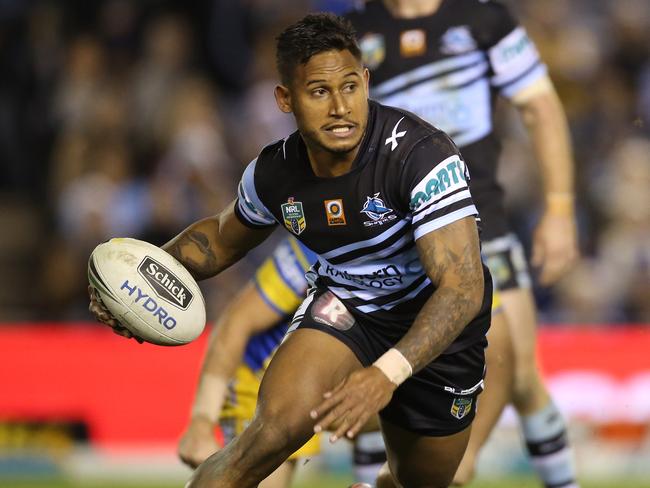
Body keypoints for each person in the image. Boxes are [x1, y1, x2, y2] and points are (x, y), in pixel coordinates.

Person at [90, 13, 494, 487]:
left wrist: (385, 374)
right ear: (286, 98)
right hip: (349, 310)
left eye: (349, 86)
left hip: (441, 327)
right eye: (319, 92)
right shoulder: (274, 175)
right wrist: (135, 279)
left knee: (422, 483)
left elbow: (462, 288)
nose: (341, 107)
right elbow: (219, 241)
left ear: (365, 81)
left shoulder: (422, 155)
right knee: (267, 436)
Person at [344, 1, 579, 487]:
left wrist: (558, 208)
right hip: (395, 239)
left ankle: (459, 472)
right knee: (384, 375)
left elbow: (539, 104)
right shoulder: (356, 32)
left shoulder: (483, 20)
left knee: (516, 371)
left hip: (482, 225)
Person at [177, 235, 387, 487]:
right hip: (265, 382)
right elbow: (237, 321)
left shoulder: (423, 251)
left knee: (408, 414)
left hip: (333, 379)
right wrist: (202, 420)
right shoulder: (316, 247)